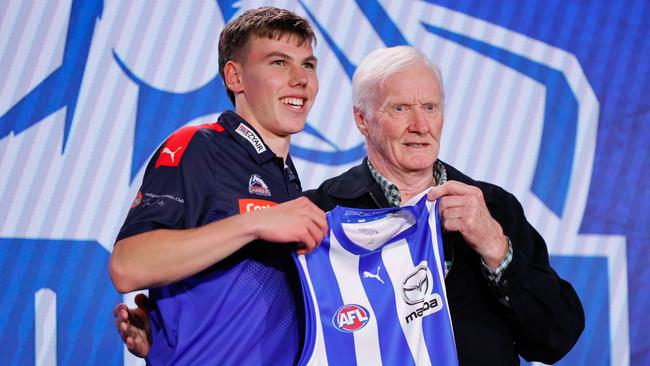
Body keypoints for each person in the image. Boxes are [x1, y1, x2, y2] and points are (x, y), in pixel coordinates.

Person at [115, 46, 585, 365]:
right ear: (362, 119)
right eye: (400, 109)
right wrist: (169, 341)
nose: (420, 126)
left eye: (431, 107)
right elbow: (271, 331)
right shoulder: (316, 214)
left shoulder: (489, 207)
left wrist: (496, 248)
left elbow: (556, 338)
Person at [109, 7, 327, 365]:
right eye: (278, 62)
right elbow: (127, 265)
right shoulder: (200, 147)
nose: (300, 79)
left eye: (308, 64)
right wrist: (257, 223)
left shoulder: (286, 177)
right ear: (234, 77)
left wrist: (167, 336)